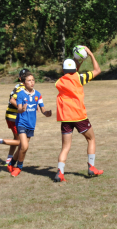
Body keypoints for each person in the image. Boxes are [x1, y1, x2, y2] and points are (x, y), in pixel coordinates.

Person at [54, 46, 103, 182]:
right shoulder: (80, 78)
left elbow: (71, 73)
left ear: (64, 70)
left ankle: (60, 172)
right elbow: (97, 70)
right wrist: (91, 54)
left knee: (65, 146)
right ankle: (92, 167)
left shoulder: (59, 82)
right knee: (91, 139)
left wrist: (77, 61)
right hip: (79, 116)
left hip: (65, 118)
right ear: (75, 70)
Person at [7, 71, 52, 177]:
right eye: (29, 80)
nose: (32, 82)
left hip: (31, 125)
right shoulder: (21, 94)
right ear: (24, 82)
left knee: (22, 147)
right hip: (21, 123)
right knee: (25, 146)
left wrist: (46, 113)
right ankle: (19, 167)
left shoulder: (38, 94)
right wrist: (22, 109)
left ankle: (11, 163)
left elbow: (43, 109)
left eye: (33, 80)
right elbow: (18, 109)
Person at [0, 68, 29, 165]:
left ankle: (9, 160)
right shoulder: (22, 88)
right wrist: (21, 108)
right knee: (21, 142)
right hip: (14, 117)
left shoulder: (18, 86)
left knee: (16, 139)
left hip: (10, 116)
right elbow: (12, 100)